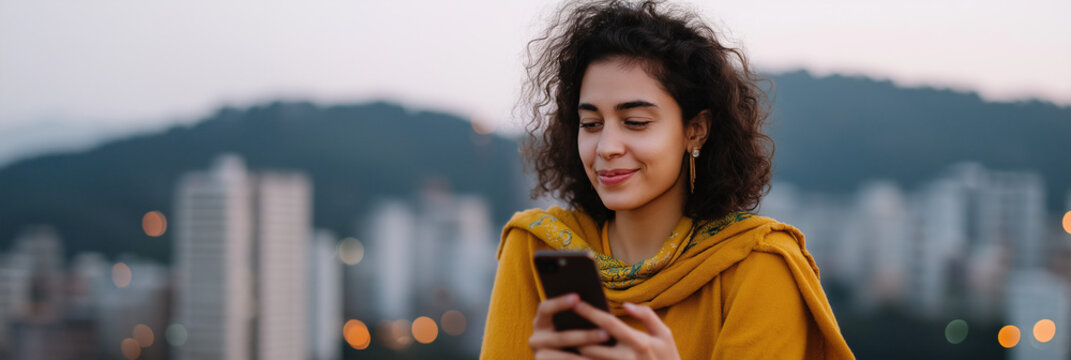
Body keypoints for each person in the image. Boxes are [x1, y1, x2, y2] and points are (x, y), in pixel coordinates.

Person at [481, 0, 854, 359]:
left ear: (695, 131)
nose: (606, 147)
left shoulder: (758, 266)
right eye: (591, 124)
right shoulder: (537, 248)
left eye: (636, 123)